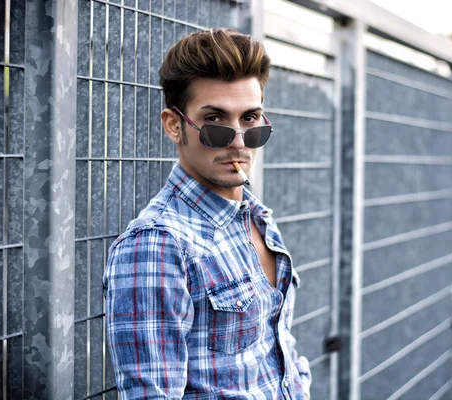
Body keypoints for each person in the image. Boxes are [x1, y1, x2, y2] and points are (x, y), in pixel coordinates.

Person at [103, 28, 312, 399]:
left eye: (251, 119)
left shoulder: (256, 218)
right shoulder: (158, 245)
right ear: (174, 124)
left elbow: (277, 350)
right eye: (215, 121)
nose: (237, 140)